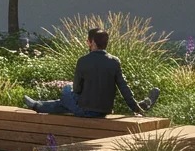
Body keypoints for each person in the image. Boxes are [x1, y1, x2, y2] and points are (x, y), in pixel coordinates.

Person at [24, 28, 160, 117]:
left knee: (67, 89)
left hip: (86, 111)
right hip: (104, 111)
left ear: (91, 42)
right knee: (63, 104)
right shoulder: (114, 61)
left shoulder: (83, 61)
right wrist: (135, 108)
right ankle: (37, 105)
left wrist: (77, 90)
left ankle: (37, 105)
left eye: (88, 41)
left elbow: (76, 89)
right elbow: (123, 87)